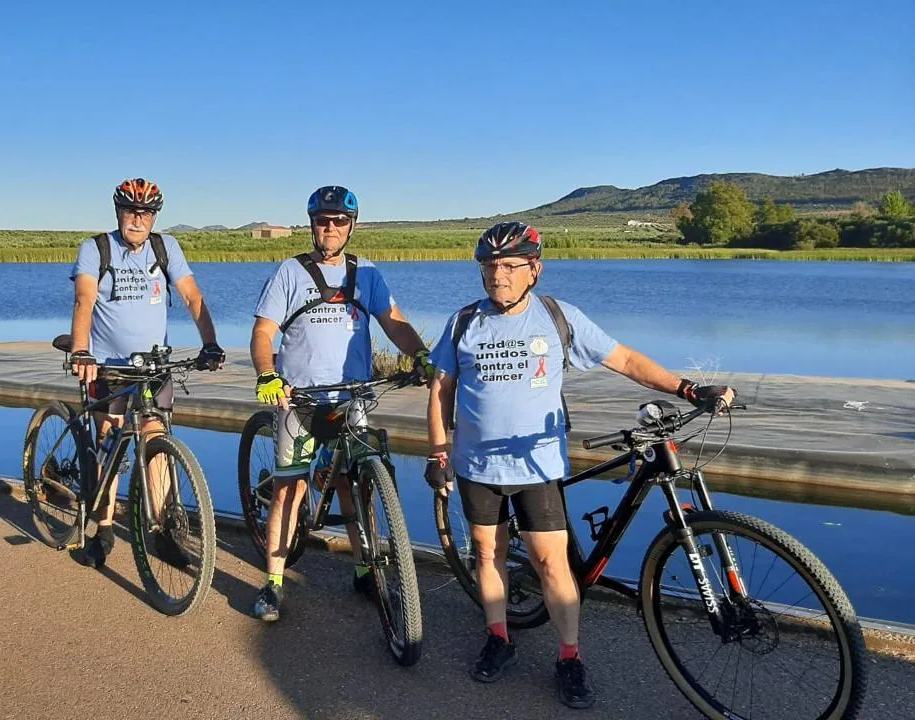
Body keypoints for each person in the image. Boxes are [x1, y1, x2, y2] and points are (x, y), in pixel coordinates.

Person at [424, 221, 735, 709]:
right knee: (487, 554)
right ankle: (499, 637)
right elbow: (441, 389)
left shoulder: (556, 317)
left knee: (551, 562)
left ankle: (569, 657)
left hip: (537, 466)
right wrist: (438, 451)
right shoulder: (464, 322)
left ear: (534, 270)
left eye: (508, 266)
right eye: (489, 266)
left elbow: (626, 360)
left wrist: (687, 389)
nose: (497, 276)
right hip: (476, 464)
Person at [249, 185, 434, 622]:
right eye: (322, 221)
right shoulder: (290, 273)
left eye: (339, 221)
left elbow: (395, 323)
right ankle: (273, 582)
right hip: (300, 398)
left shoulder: (366, 274)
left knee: (357, 484)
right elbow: (262, 334)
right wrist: (267, 375)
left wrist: (421, 355)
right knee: (289, 491)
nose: (330, 228)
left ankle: (363, 567)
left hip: (353, 397)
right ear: (312, 225)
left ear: (352, 226)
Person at [68, 178, 224, 567]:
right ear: (118, 212)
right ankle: (102, 530)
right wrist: (82, 351)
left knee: (156, 444)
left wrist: (211, 342)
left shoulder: (165, 247)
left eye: (145, 213)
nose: (137, 220)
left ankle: (164, 532)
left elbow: (191, 295)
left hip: (153, 365)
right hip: (107, 364)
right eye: (130, 211)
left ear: (154, 216)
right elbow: (84, 300)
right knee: (109, 439)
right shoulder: (95, 249)